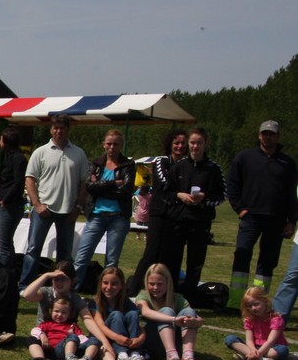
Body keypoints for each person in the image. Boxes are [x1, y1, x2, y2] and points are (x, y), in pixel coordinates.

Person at [226, 119, 298, 299]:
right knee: (242, 255)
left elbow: (292, 194)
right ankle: (236, 300)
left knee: (268, 261)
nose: (267, 137)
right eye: (264, 133)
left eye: (271, 134)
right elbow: (232, 185)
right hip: (250, 217)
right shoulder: (244, 157)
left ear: (278, 137)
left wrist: (291, 221)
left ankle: (258, 301)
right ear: (259, 135)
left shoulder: (287, 163)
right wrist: (240, 209)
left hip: (276, 219)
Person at [18, 115, 89, 289]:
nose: (58, 131)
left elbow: (84, 183)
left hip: (68, 211)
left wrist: (78, 207)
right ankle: (25, 285)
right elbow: (29, 179)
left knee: (65, 254)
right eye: (55, 127)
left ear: (68, 129)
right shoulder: (40, 152)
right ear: (51, 129)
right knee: (33, 249)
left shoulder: (79, 153)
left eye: (62, 127)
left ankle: (63, 286)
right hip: (43, 209)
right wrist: (37, 205)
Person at [160, 127, 225, 300]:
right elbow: (165, 193)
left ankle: (189, 298)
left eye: (199, 143)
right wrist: (179, 195)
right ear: (188, 144)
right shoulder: (178, 167)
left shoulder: (213, 169)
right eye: (192, 143)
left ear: (205, 144)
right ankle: (170, 296)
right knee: (172, 260)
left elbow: (221, 196)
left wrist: (204, 198)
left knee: (195, 262)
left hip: (200, 221)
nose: (195, 146)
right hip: (177, 220)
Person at [73, 130, 136, 291]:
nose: (112, 147)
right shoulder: (95, 164)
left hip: (119, 217)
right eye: (109, 143)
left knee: (111, 262)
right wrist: (113, 183)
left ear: (121, 145)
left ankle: (107, 294)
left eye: (116, 144)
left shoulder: (128, 165)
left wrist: (100, 187)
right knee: (82, 257)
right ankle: (70, 292)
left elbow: (126, 190)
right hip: (96, 215)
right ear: (103, 145)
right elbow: (89, 187)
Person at [128, 130, 189, 295]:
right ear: (170, 144)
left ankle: (170, 293)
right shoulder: (161, 161)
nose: (180, 146)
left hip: (177, 216)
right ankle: (134, 290)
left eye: (183, 143)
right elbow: (165, 183)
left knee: (173, 255)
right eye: (176, 143)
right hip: (159, 214)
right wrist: (180, 192)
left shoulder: (188, 164)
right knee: (151, 252)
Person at [134, 263, 205, 360]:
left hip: (176, 343)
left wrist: (194, 321)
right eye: (151, 284)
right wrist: (173, 319)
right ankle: (171, 357)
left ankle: (188, 356)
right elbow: (146, 312)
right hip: (153, 344)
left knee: (189, 312)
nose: (155, 288)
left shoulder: (177, 298)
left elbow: (199, 319)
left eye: (160, 284)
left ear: (168, 283)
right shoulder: (143, 296)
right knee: (167, 311)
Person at [89, 266, 149, 360]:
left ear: (122, 285)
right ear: (100, 284)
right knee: (116, 315)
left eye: (114, 284)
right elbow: (100, 326)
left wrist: (141, 338)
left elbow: (139, 326)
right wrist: (117, 337)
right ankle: (122, 355)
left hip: (126, 340)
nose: (109, 287)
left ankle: (135, 354)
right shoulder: (95, 303)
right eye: (105, 283)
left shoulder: (126, 302)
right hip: (106, 338)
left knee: (133, 314)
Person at [0, 126, 27, 271]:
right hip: (0, 202)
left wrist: (6, 199)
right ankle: (9, 274)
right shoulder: (6, 157)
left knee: (4, 247)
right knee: (5, 243)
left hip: (9, 205)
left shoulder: (19, 158)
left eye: (1, 139)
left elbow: (18, 183)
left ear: (6, 141)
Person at [26, 297, 97, 360]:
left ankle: (87, 359)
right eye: (56, 311)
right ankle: (41, 359)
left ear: (69, 314)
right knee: (32, 339)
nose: (59, 314)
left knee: (93, 339)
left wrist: (89, 343)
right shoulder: (48, 324)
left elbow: (81, 338)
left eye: (64, 312)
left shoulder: (72, 325)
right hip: (55, 350)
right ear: (51, 311)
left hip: (74, 351)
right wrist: (42, 335)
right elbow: (35, 330)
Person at [226, 287, 290, 360]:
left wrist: (259, 353)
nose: (253, 308)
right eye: (249, 306)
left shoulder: (276, 319)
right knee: (230, 339)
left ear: (265, 301)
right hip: (254, 346)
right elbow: (249, 340)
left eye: (256, 304)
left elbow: (270, 341)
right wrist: (253, 350)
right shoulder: (249, 319)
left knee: (282, 350)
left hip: (271, 347)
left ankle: (246, 355)